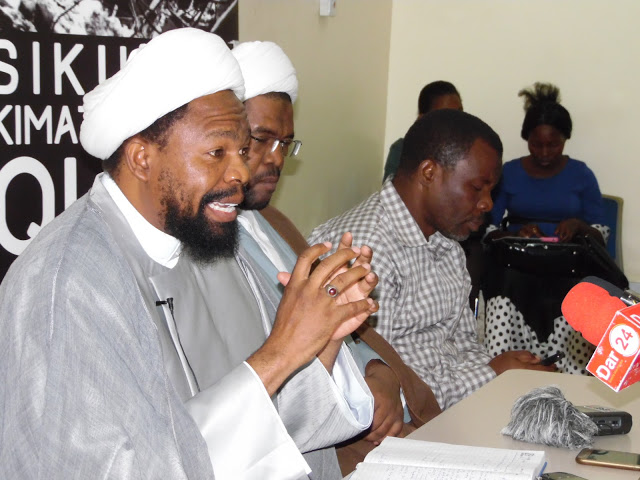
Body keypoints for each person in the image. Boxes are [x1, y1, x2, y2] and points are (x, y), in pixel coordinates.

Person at [0, 28, 379, 480]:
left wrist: (323, 334)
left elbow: (273, 422)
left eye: (242, 149)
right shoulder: (63, 284)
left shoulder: (215, 242)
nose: (241, 172)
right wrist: (282, 351)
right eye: (217, 151)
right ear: (142, 158)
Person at [231, 41, 442, 475]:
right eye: (262, 139)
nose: (276, 158)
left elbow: (339, 330)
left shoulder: (273, 221)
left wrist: (380, 372)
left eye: (285, 143)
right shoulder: (201, 245)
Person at [310, 109, 556, 412]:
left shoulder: (447, 244)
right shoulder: (367, 251)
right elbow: (378, 388)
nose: (487, 204)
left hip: (453, 411)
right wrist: (493, 374)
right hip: (404, 426)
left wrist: (504, 376)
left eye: (491, 191)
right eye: (477, 188)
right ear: (429, 173)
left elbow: (464, 347)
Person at [483, 82, 609, 374]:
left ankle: (569, 375)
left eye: (553, 144)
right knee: (502, 285)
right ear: (526, 139)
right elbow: (488, 228)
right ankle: (508, 369)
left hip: (568, 265)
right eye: (536, 144)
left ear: (565, 139)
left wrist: (579, 226)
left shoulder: (581, 174)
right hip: (518, 264)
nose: (544, 152)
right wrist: (515, 234)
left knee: (581, 292)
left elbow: (601, 232)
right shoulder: (509, 172)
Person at [383, 80, 462, 182]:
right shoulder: (402, 150)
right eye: (445, 116)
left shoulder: (468, 152)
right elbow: (392, 190)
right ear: (423, 119)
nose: (455, 121)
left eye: (459, 113)